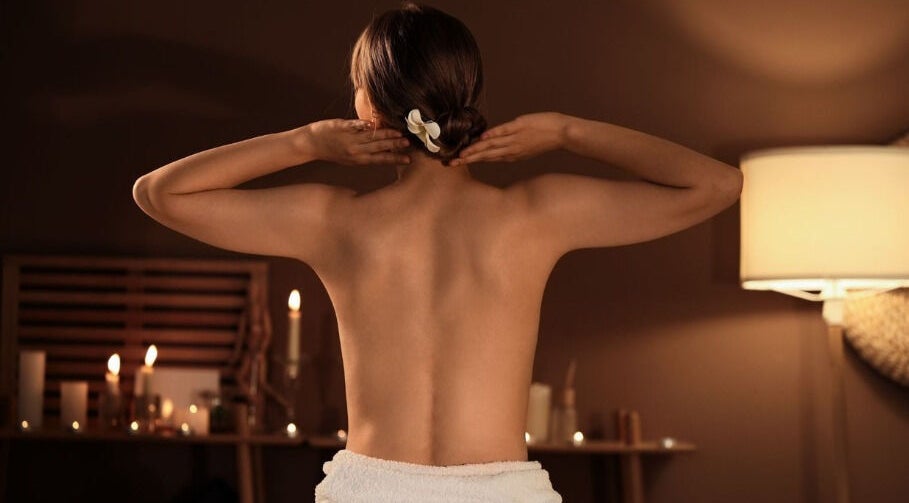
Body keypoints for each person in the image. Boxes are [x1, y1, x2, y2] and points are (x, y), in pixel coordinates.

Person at [132, 3, 742, 501]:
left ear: (370, 106)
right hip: (503, 494)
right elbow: (717, 186)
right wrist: (566, 131)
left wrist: (305, 142)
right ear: (467, 96)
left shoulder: (335, 223)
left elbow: (159, 194)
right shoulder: (534, 216)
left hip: (371, 492)